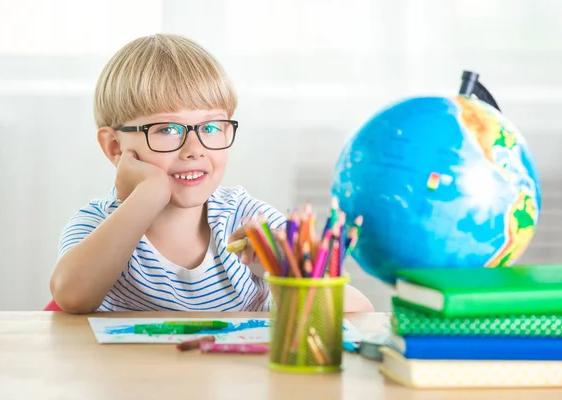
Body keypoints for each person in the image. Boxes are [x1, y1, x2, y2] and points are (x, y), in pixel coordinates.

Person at [49, 33, 374, 314]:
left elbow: (359, 310)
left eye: (211, 126)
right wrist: (148, 194)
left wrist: (283, 273)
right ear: (115, 148)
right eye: (167, 129)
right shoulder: (97, 224)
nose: (194, 148)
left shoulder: (247, 219)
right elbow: (72, 296)